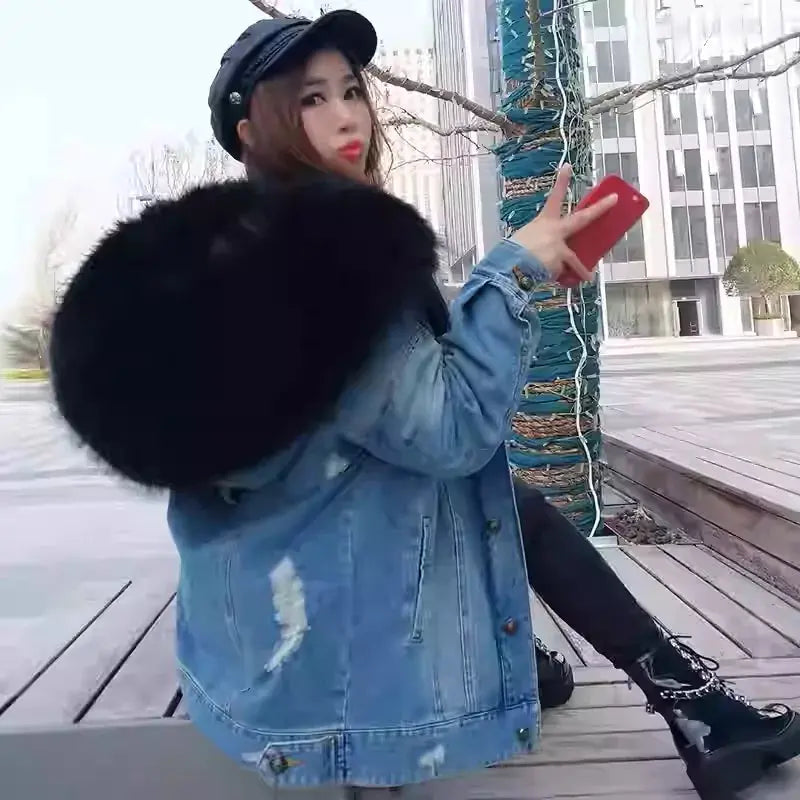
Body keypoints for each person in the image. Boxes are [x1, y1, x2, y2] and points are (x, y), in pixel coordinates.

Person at [48, 10, 798, 797]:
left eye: (351, 91)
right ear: (250, 130)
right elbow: (454, 429)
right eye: (310, 100)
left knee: (512, 502)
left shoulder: (227, 262)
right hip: (347, 671)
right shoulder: (330, 262)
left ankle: (651, 692)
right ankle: (696, 706)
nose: (348, 116)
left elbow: (352, 423)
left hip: (254, 641)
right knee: (489, 488)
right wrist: (511, 272)